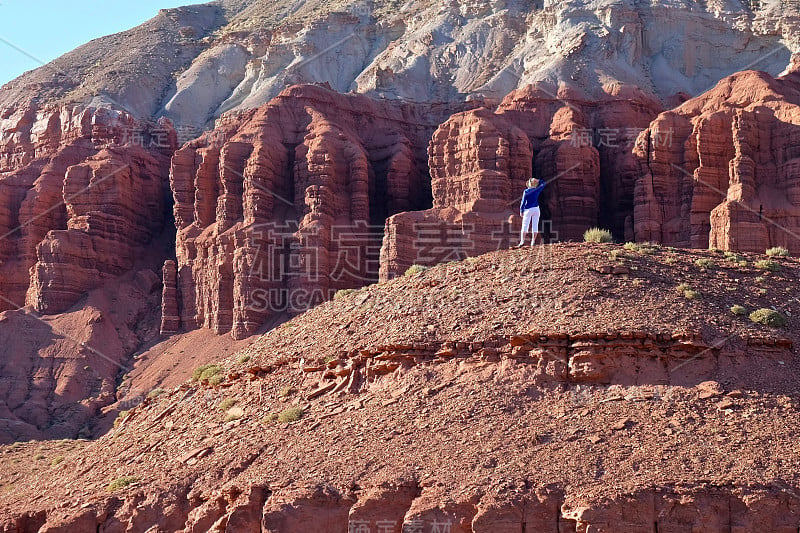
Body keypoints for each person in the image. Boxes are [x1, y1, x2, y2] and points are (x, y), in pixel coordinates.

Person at [515, 177, 546, 247]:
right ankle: (533, 242)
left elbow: (523, 202)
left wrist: (521, 210)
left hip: (528, 209)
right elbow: (544, 183)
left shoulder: (526, 191)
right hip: (536, 209)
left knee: (525, 225)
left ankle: (522, 241)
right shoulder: (537, 190)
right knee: (535, 225)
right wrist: (539, 180)